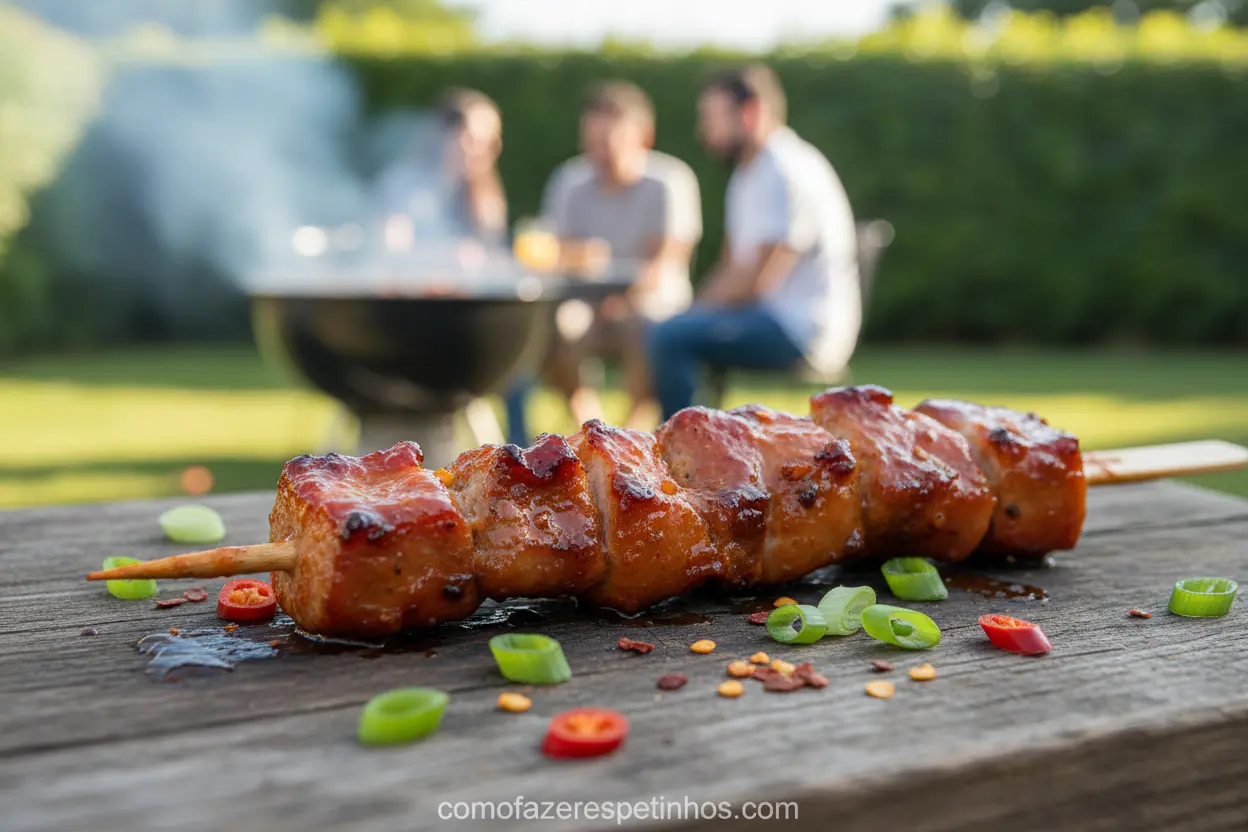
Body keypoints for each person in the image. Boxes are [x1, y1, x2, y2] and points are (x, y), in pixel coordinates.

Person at [647, 64, 861, 419]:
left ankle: (679, 448)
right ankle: (687, 440)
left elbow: (757, 280)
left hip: (799, 331)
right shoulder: (752, 171)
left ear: (750, 112)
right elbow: (732, 267)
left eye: (711, 117)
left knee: (669, 336)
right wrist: (692, 311)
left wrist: (688, 313)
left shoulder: (782, 170)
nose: (703, 130)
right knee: (669, 329)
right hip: (771, 318)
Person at [507, 81, 702, 442]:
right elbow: (555, 255)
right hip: (586, 303)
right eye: (592, 143)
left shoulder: (669, 182)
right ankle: (593, 428)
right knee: (561, 326)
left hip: (651, 303)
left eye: (609, 143)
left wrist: (619, 295)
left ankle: (632, 432)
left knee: (648, 328)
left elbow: (666, 262)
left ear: (643, 136)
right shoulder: (570, 180)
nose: (599, 154)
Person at [376, 87, 507, 247]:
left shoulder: (484, 193)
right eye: (474, 140)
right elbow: (390, 247)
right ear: (447, 136)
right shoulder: (402, 183)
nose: (486, 150)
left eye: (491, 142)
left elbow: (494, 247)